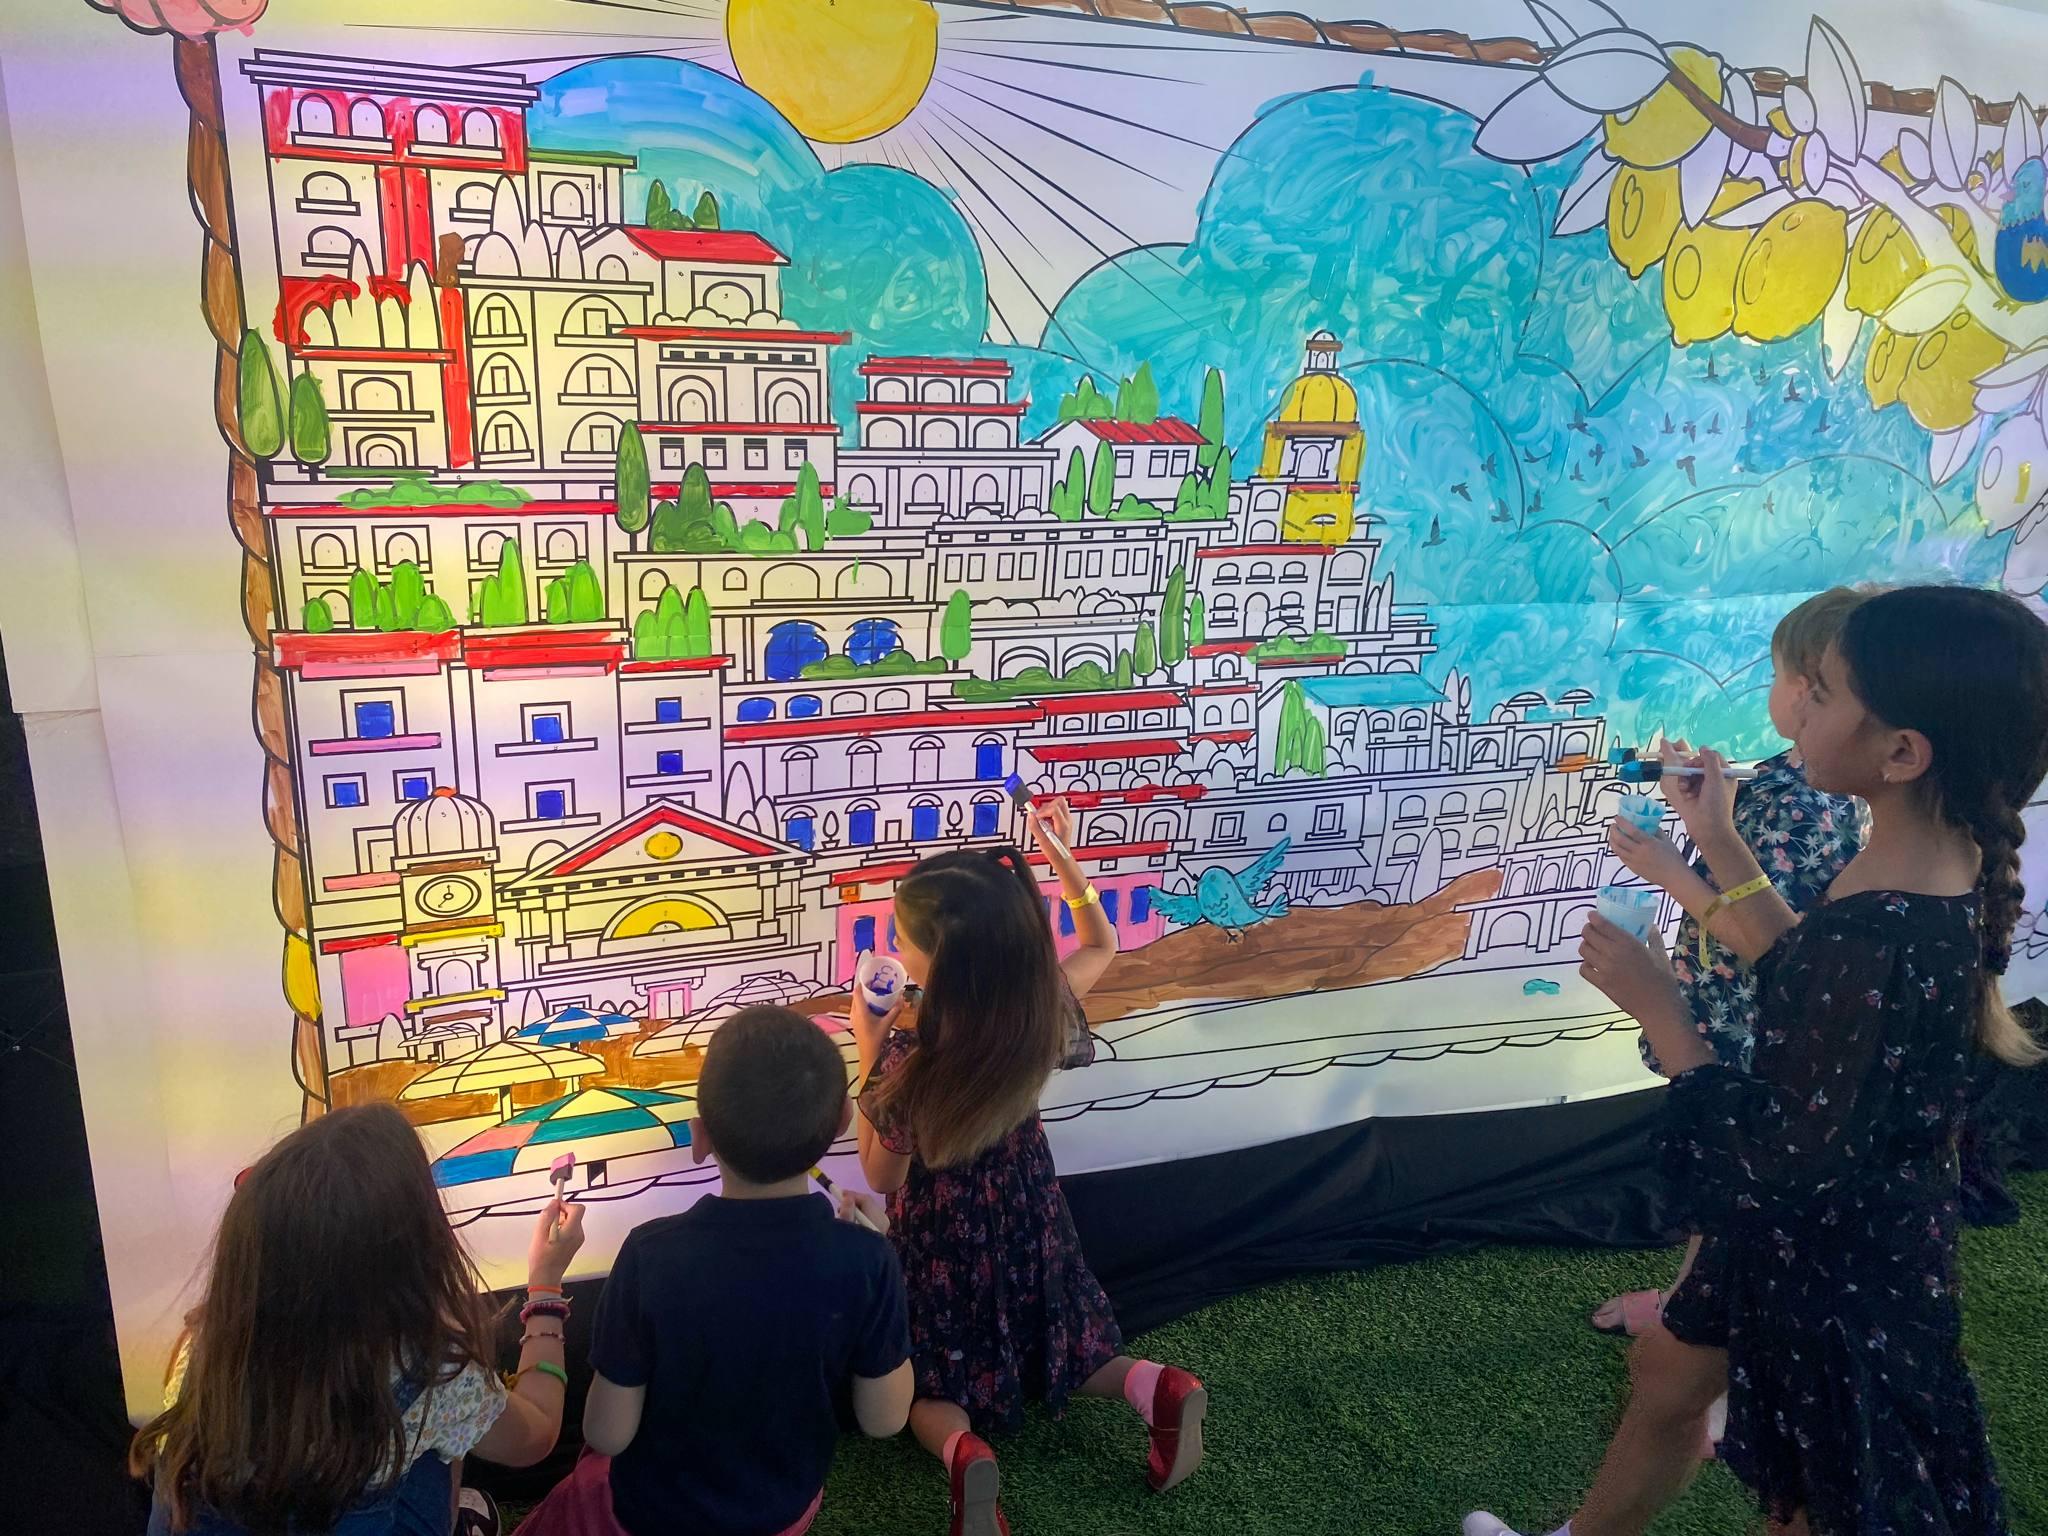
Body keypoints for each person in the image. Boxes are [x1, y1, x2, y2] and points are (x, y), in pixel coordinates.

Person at [1466, 584, 2048, 1536]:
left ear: (1902, 753)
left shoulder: (1885, 929)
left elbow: (1778, 1152)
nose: (1797, 711)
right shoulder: (1926, 873)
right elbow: (1807, 965)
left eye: (1818, 693)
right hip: (1858, 1229)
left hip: (1831, 1264)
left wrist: (1664, 1013)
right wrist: (1715, 837)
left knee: (1819, 1495)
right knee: (1668, 1371)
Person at [854, 797, 1206, 1536]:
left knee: (929, 1388)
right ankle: (1155, 1384)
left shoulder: (908, 1056)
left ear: (939, 959)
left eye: (903, 935)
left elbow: (883, 1180)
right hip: (1028, 1208)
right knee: (1067, 1340)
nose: (893, 942)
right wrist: (1065, 871)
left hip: (941, 1237)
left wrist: (868, 1048)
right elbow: (1102, 945)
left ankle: (963, 1451)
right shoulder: (1036, 1008)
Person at [515, 1005, 913, 1536]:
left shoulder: (648, 1255)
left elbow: (608, 1435)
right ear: (843, 1120)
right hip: (779, 1513)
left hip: (646, 1517)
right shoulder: (868, 1259)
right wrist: (882, 1260)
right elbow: (885, 1419)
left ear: (700, 1135)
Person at [1590, 587, 1871, 1341]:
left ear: (1810, 692)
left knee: (1729, 1170)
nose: (1774, 692)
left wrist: (1665, 869)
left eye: (1780, 675)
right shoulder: (1811, 776)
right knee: (1726, 1175)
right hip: (1748, 1005)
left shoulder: (1803, 799)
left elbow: (1767, 936)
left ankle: (1703, 1332)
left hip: (1751, 1012)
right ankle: (1692, 1297)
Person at [131, 1103, 585, 1536]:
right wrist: (545, 1286)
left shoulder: (206, 1344)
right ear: (410, 1253)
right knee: (441, 1448)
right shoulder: (429, 1373)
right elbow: (536, 1435)